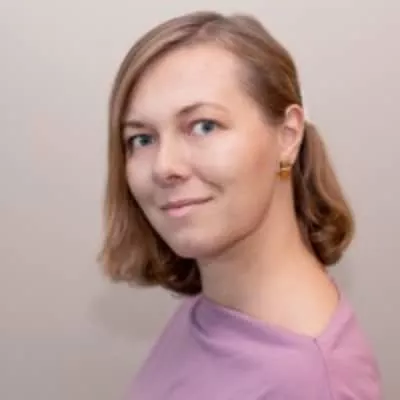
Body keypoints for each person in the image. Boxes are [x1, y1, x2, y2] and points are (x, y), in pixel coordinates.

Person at [99, 10, 382, 400]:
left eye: (204, 126)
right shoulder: (218, 304)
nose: (164, 166)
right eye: (142, 139)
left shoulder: (311, 381)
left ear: (288, 135)